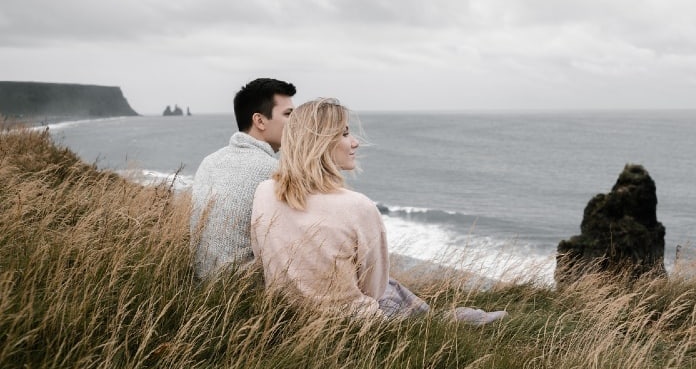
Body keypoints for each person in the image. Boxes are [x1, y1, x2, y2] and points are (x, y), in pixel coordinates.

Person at [251, 98, 506, 324]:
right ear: (320, 142)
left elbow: (263, 258)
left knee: (397, 289)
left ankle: (441, 317)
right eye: (344, 134)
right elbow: (374, 288)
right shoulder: (357, 205)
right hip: (358, 325)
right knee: (397, 295)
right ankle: (449, 321)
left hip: (288, 316)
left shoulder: (264, 192)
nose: (354, 142)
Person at [190, 77, 296, 280]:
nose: (296, 123)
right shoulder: (275, 170)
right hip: (247, 294)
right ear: (259, 120)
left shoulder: (209, 162)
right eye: (288, 114)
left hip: (201, 285)